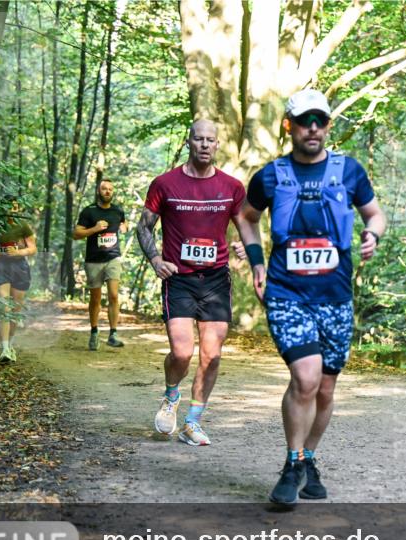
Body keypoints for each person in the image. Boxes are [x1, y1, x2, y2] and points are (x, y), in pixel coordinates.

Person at [241, 89, 387, 506]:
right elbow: (246, 219)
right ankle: (290, 465)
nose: (313, 128)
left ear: (328, 126)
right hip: (287, 293)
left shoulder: (349, 171)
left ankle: (309, 457)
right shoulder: (270, 176)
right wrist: (256, 263)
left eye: (319, 121)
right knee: (304, 379)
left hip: (335, 296)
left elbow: (375, 213)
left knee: (325, 388)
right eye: (305, 121)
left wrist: (372, 235)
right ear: (289, 125)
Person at [136, 119, 266, 447]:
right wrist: (155, 260)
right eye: (199, 139)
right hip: (178, 279)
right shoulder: (165, 184)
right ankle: (170, 397)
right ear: (189, 142)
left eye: (211, 139)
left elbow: (248, 225)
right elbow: (144, 227)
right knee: (182, 352)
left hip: (216, 280)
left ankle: (192, 422)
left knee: (212, 354)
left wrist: (247, 251)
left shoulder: (232, 187)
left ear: (217, 144)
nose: (205, 145)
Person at [74, 178, 127, 350]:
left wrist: (124, 226)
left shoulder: (118, 211)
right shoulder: (89, 212)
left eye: (110, 189)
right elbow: (76, 233)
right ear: (99, 191)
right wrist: (94, 229)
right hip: (94, 260)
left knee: (113, 295)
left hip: (113, 257)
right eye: (104, 189)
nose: (107, 192)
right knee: (95, 298)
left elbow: (123, 222)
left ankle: (113, 334)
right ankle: (94, 332)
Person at [0, 198, 37, 363]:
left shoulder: (23, 225)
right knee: (4, 306)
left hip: (20, 268)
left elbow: (33, 248)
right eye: (9, 207)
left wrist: (18, 253)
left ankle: (11, 344)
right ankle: (5, 349)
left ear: (18, 208)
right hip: (1, 267)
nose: (12, 210)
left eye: (15, 207)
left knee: (15, 309)